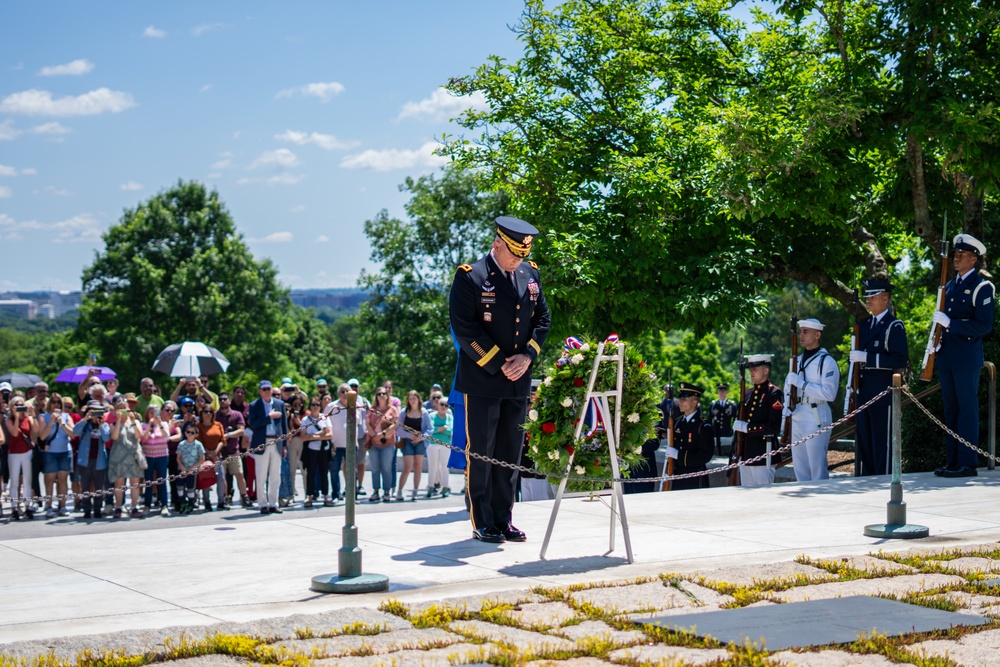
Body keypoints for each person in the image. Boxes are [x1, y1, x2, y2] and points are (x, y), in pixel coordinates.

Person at [450, 215, 550, 543]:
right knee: (482, 452)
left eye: (522, 255)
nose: (518, 261)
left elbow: (542, 319)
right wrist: (498, 363)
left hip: (518, 379)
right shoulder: (471, 277)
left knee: (510, 452)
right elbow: (465, 327)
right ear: (497, 244)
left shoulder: (529, 273)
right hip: (483, 378)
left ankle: (505, 518)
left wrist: (527, 357)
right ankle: (483, 521)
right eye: (513, 254)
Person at [932, 234, 996, 478]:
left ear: (974, 259)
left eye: (962, 256)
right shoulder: (950, 285)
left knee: (967, 409)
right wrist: (936, 342)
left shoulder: (982, 287)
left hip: (967, 358)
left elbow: (984, 325)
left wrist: (951, 324)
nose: (956, 259)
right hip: (947, 356)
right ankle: (953, 460)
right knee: (951, 410)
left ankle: (968, 463)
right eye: (955, 255)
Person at [849, 278, 909, 476]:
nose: (868, 300)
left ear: (885, 298)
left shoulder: (893, 326)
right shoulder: (864, 325)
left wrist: (867, 357)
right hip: (864, 392)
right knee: (865, 443)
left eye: (873, 296)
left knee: (882, 444)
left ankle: (883, 482)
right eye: (867, 296)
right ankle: (868, 481)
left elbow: (899, 359)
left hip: (882, 394)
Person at [782, 318, 841, 482]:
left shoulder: (826, 361)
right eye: (801, 331)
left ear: (817, 335)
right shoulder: (797, 360)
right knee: (800, 467)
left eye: (806, 332)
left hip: (816, 415)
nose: (802, 335)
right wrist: (784, 418)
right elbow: (788, 391)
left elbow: (830, 394)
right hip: (797, 414)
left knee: (817, 467)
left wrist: (802, 384)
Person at [732, 354, 783, 487]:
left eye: (755, 369)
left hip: (763, 452)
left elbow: (774, 427)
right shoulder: (748, 393)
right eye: (750, 370)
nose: (751, 373)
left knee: (763, 495)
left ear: (766, 371)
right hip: (745, 452)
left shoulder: (773, 393)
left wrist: (748, 428)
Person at [247, 380, 288, 514]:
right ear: (259, 391)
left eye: (268, 389)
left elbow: (284, 427)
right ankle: (262, 504)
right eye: (263, 389)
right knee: (261, 475)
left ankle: (273, 503)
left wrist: (284, 445)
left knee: (275, 475)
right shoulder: (254, 405)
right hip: (262, 442)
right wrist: (268, 417)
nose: (266, 391)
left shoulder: (279, 404)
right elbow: (252, 424)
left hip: (276, 442)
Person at [665, 382, 715, 491]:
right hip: (678, 475)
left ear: (694, 402)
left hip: (695, 478)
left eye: (685, 399)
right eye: (680, 399)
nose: (680, 402)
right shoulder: (677, 422)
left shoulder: (702, 426)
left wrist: (679, 455)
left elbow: (705, 455)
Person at [326, 383, 367, 502]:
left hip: (352, 444)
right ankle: (335, 494)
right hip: (335, 444)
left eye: (347, 391)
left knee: (352, 470)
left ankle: (352, 495)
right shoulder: (332, 406)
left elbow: (359, 423)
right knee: (334, 470)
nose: (344, 394)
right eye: (342, 391)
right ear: (338, 394)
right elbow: (325, 421)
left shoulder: (357, 406)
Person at [73, 401, 111, 519]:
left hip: (99, 460)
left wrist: (100, 425)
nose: (96, 413)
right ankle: (87, 509)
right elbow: (75, 431)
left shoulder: (104, 425)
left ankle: (98, 508)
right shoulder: (85, 424)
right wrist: (85, 418)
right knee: (85, 486)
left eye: (98, 410)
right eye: (93, 410)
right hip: (85, 459)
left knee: (99, 486)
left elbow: (106, 438)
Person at [38, 392, 74, 518]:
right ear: (50, 404)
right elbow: (42, 436)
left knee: (63, 480)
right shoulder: (44, 417)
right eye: (53, 402)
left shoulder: (66, 416)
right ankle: (49, 506)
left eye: (58, 402)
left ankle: (62, 506)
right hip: (50, 453)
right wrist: (52, 422)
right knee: (49, 480)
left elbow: (73, 434)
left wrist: (62, 423)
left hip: (65, 451)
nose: (56, 404)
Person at [107, 399, 144, 519]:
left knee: (135, 482)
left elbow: (139, 435)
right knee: (119, 482)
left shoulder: (136, 421)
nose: (123, 410)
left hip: (133, 456)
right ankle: (118, 506)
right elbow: (115, 437)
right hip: (119, 456)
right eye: (120, 408)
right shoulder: (112, 424)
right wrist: (118, 420)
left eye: (125, 407)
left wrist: (132, 420)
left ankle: (134, 507)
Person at [4, 395, 37, 520]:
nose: (19, 407)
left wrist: (32, 414)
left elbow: (35, 431)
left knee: (27, 480)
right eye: (16, 405)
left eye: (21, 404)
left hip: (26, 451)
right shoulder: (9, 420)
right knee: (14, 481)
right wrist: (16, 417)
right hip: (14, 452)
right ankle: (14, 508)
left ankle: (28, 506)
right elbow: (15, 433)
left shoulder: (28, 418)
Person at [395, 390, 431, 502]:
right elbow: (398, 429)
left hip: (420, 441)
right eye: (410, 399)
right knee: (407, 467)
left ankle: (415, 491)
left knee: (418, 466)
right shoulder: (404, 412)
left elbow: (430, 429)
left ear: (418, 399)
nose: (412, 401)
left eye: (414, 398)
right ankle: (399, 491)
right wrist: (408, 435)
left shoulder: (424, 413)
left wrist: (422, 437)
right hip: (407, 441)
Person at [215, 392, 249, 508]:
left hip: (234, 450)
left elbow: (241, 430)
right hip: (221, 451)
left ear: (229, 400)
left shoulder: (237, 414)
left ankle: (244, 496)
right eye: (220, 399)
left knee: (239, 474)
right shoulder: (215, 415)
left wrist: (228, 435)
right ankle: (224, 497)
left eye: (225, 399)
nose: (222, 401)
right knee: (222, 476)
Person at [365, 387, 398, 503]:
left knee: (387, 468)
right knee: (375, 468)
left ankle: (387, 491)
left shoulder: (392, 409)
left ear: (387, 395)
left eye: (384, 393)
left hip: (388, 443)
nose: (381, 396)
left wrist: (383, 434)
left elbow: (395, 424)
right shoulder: (372, 409)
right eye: (379, 394)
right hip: (374, 444)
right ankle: (375, 491)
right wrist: (374, 434)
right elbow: (367, 423)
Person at [301, 398, 333, 507]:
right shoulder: (305, 420)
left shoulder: (324, 418)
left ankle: (325, 497)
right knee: (311, 473)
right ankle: (309, 497)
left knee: (324, 473)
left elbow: (330, 435)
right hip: (311, 450)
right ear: (310, 406)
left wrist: (313, 436)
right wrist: (320, 434)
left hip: (324, 450)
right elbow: (303, 437)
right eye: (313, 404)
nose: (315, 406)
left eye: (318, 404)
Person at [140, 404, 171, 514]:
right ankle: (147, 505)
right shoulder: (143, 425)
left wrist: (159, 425)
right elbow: (143, 439)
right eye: (151, 412)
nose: (153, 414)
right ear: (147, 414)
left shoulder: (164, 424)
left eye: (155, 412)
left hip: (161, 455)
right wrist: (149, 426)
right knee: (148, 482)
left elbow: (166, 437)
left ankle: (164, 505)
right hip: (148, 456)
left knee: (161, 481)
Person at [197, 404, 227, 510]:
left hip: (218, 456)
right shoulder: (199, 426)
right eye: (206, 411)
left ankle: (221, 501)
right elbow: (198, 442)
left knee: (221, 478)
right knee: (206, 479)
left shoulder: (218, 425)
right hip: (204, 457)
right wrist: (208, 453)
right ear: (202, 413)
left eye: (210, 412)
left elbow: (222, 440)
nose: (208, 414)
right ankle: (207, 501)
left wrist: (215, 452)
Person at [176, 423, 206, 514]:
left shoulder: (198, 445)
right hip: (182, 469)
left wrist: (192, 468)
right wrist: (182, 467)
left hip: (192, 470)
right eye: (188, 432)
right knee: (180, 487)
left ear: (196, 435)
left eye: (192, 432)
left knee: (190, 488)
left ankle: (190, 504)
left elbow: (202, 458)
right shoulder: (181, 444)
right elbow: (178, 458)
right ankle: (182, 503)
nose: (189, 434)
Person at [427, 396, 453, 498]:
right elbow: (431, 430)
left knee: (445, 466)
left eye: (446, 405)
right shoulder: (432, 415)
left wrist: (439, 430)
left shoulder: (450, 417)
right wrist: (443, 428)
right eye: (441, 404)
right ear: (438, 405)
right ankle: (430, 486)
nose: (443, 407)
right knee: (432, 466)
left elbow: (450, 431)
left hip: (446, 444)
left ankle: (446, 487)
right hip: (433, 444)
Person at [348, 378, 369, 496]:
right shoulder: (342, 401)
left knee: (361, 462)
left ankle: (360, 485)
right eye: (351, 386)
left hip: (361, 435)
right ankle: (349, 485)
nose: (354, 388)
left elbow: (370, 415)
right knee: (347, 463)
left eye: (356, 386)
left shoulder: (364, 401)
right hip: (348, 436)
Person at [709, 384, 736, 456]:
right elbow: (709, 419)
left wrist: (734, 431)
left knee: (727, 452)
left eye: (723, 391)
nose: (721, 393)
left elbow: (735, 419)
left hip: (727, 432)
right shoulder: (713, 404)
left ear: (727, 392)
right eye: (720, 391)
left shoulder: (731, 404)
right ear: (718, 392)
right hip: (716, 433)